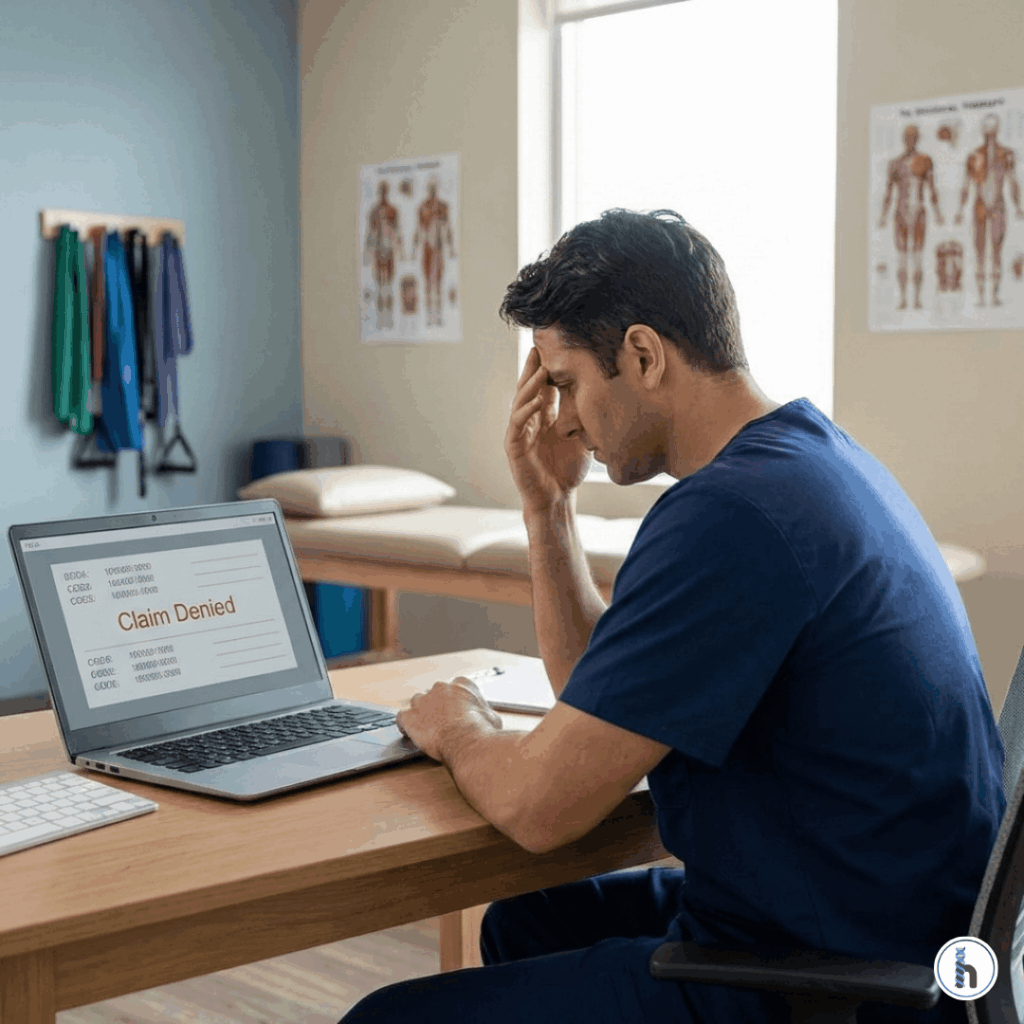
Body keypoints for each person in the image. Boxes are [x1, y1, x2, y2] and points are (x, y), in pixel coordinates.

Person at [338, 209, 1004, 1024]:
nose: (564, 416)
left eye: (567, 381)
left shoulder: (732, 515)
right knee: (529, 922)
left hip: (835, 979)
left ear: (643, 356)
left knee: (383, 1019)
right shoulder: (814, 459)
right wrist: (548, 507)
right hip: (904, 927)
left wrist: (460, 729)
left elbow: (540, 809)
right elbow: (598, 691)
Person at [953, 113, 1023, 307]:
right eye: (987, 131)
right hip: (980, 205)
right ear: (983, 131)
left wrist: (1018, 206)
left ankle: (994, 295)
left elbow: (1013, 182)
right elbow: (966, 185)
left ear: (997, 130)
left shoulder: (1006, 154)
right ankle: (982, 295)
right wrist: (959, 209)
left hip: (998, 205)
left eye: (992, 131)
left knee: (997, 250)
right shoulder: (974, 156)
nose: (990, 135)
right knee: (980, 251)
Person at [878, 124, 944, 310]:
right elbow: (888, 192)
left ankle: (916, 299)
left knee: (917, 256)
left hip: (919, 211)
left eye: (914, 137)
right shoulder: (895, 164)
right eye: (908, 137)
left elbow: (932, 189)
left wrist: (938, 212)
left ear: (918, 139)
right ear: (903, 139)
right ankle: (903, 299)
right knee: (901, 257)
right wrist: (883, 215)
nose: (911, 141)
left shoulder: (925, 161)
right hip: (900, 211)